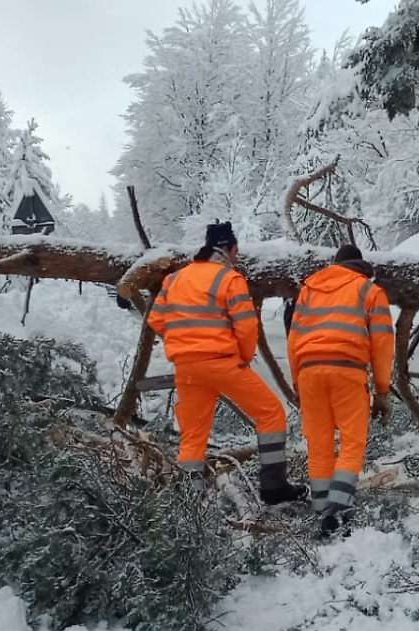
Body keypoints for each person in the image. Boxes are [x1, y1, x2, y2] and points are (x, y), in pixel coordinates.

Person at [144, 221, 303, 504]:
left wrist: (184, 342)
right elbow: (245, 327)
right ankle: (274, 487)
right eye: (236, 250)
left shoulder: (174, 279)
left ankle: (190, 503)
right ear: (227, 248)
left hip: (186, 367)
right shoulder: (230, 279)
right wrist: (241, 358)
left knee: (193, 435)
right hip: (220, 362)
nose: (238, 256)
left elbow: (156, 320)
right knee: (271, 413)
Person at [287, 242, 394, 535]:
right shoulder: (370, 291)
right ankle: (339, 508)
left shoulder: (309, 291)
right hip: (347, 370)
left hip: (309, 372)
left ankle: (321, 508)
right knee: (351, 441)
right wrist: (382, 390)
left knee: (319, 443)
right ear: (360, 266)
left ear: (335, 265)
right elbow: (383, 342)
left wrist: (297, 383)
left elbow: (293, 341)